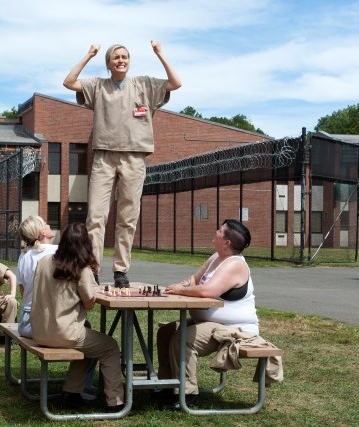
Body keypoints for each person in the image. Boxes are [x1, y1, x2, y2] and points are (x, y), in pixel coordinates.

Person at [63, 41, 181, 288]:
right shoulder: (98, 86)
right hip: (104, 157)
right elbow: (69, 82)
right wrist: (89, 54)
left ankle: (120, 270)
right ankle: (94, 269)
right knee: (95, 217)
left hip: (134, 157)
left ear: (129, 61)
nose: (120, 60)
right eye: (115, 57)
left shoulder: (144, 84)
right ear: (108, 63)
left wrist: (160, 53)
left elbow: (175, 83)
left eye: (124, 56)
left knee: (128, 216)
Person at [156, 219, 259, 409]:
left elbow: (207, 291)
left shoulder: (235, 264)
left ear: (227, 242)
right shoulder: (216, 257)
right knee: (166, 333)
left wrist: (179, 291)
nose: (216, 232)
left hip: (234, 329)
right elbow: (195, 280)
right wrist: (180, 286)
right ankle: (167, 385)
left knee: (183, 339)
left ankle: (187, 395)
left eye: (220, 231)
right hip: (209, 323)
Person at [30, 223, 124, 412]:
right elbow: (89, 303)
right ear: (85, 245)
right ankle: (115, 401)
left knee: (87, 335)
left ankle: (71, 393)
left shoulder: (43, 261)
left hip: (39, 331)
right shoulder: (82, 269)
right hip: (64, 334)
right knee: (109, 347)